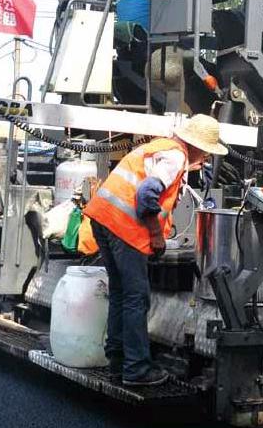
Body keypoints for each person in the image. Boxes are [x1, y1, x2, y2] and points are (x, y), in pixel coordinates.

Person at [83, 114, 227, 386]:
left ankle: (117, 362)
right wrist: (156, 235)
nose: (206, 158)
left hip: (104, 220)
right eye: (206, 152)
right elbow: (147, 195)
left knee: (120, 294)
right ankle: (136, 369)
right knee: (137, 299)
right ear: (196, 146)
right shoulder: (175, 157)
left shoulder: (159, 148)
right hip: (125, 229)